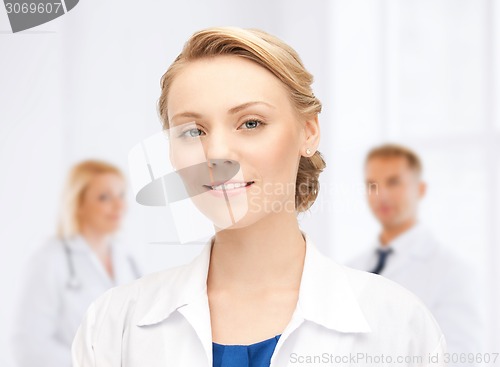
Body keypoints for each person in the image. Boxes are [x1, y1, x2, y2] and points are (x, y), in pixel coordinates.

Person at [72, 27, 446, 367]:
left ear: (308, 132)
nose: (217, 153)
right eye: (192, 131)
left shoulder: (397, 324)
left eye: (251, 123)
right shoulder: (114, 326)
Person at [348, 144, 485, 364]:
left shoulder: (454, 272)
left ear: (420, 189)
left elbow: (462, 358)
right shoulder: (351, 268)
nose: (381, 194)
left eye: (393, 182)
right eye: (372, 185)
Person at [11, 160, 141, 367]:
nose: (119, 206)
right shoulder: (49, 258)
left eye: (121, 195)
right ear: (78, 204)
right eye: (104, 197)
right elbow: (28, 346)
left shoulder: (126, 259)